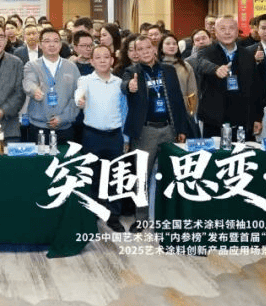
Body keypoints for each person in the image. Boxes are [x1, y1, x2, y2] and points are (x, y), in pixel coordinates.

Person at [121, 36, 191, 232]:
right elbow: (125, 86)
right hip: (145, 132)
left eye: (147, 48)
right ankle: (141, 218)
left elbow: (178, 101)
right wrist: (129, 86)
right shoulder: (132, 72)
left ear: (154, 49)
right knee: (141, 177)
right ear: (135, 52)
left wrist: (181, 129)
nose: (144, 52)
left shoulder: (168, 70)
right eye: (140, 49)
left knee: (170, 175)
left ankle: (168, 216)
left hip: (169, 129)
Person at [74, 44, 127, 232]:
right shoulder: (85, 80)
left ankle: (114, 216)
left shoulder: (119, 83)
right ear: (91, 61)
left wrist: (126, 138)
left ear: (112, 60)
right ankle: (93, 215)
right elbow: (78, 95)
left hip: (115, 136)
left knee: (115, 177)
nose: (103, 60)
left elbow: (124, 110)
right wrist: (80, 101)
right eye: (98, 57)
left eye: (106, 57)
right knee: (93, 176)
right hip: (92, 135)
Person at [195, 15, 266, 138]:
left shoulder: (247, 55)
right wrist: (215, 69)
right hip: (214, 122)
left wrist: (257, 117)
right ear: (215, 32)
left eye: (231, 28)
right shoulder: (206, 53)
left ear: (237, 31)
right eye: (222, 29)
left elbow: (256, 89)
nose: (227, 32)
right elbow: (201, 64)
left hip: (243, 122)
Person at [23, 28, 81, 143]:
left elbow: (77, 96)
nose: (52, 45)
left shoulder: (71, 67)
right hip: (39, 127)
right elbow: (28, 82)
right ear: (40, 45)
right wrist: (34, 90)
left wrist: (63, 118)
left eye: (55, 41)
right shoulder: (32, 65)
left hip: (64, 128)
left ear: (60, 45)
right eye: (47, 41)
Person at [158, 33, 200, 138]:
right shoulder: (156, 66)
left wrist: (191, 113)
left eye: (174, 44)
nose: (172, 46)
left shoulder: (185, 66)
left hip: (182, 113)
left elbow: (192, 92)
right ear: (161, 48)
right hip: (162, 113)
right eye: (168, 44)